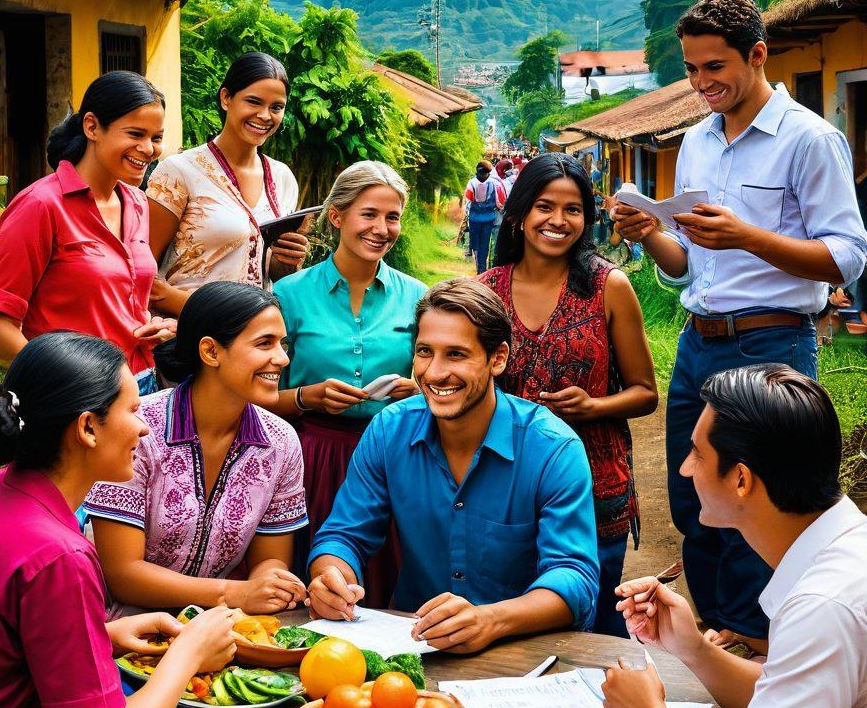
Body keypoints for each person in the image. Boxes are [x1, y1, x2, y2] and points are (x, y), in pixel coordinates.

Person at [612, 0, 867, 642]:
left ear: (757, 55)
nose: (701, 83)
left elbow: (847, 258)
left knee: (759, 507)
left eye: (714, 67)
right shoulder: (696, 141)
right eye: (691, 69)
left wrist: (747, 237)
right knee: (696, 500)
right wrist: (648, 231)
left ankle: (761, 655)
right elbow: (685, 265)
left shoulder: (810, 139)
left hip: (771, 345)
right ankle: (716, 640)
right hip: (697, 343)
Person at [0, 333, 243, 708]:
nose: (144, 427)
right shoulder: (60, 555)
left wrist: (104, 633)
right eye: (133, 410)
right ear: (88, 428)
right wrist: (190, 653)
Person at [603, 364, 867, 708]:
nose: (684, 469)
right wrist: (693, 649)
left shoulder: (823, 605)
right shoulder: (847, 548)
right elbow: (787, 694)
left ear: (741, 479)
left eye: (697, 454)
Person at [306, 278, 599, 650]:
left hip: (525, 653)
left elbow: (575, 578)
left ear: (498, 359)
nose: (434, 373)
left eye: (456, 355)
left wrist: (490, 620)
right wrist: (330, 577)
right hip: (414, 650)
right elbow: (344, 535)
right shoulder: (388, 430)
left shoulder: (553, 449)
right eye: (424, 352)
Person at [479, 153, 658, 635]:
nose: (558, 221)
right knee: (510, 624)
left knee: (594, 628)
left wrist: (593, 406)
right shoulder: (486, 291)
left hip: (596, 486)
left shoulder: (609, 286)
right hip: (506, 485)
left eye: (572, 209)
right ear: (519, 213)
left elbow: (645, 393)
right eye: (544, 206)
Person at [85, 282, 307, 619]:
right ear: (211, 351)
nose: (282, 358)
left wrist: (270, 585)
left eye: (283, 344)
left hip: (219, 626)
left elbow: (269, 559)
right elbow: (122, 575)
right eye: (265, 343)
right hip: (118, 625)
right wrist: (234, 594)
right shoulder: (139, 429)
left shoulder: (281, 442)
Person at [272, 161, 426, 607]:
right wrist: (308, 397)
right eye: (369, 214)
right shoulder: (290, 294)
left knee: (386, 574)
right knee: (315, 577)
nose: (381, 228)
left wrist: (417, 392)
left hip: (393, 453)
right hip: (311, 455)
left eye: (392, 217)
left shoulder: (417, 296)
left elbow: (438, 377)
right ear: (337, 216)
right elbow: (259, 397)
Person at [0, 72, 175, 392]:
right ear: (92, 127)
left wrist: (153, 327)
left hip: (139, 389)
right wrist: (68, 383)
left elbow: (117, 303)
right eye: (135, 134)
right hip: (70, 399)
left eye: (156, 137)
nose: (148, 148)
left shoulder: (138, 202)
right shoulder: (40, 205)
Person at [147, 52, 305, 317]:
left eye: (276, 107)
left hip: (254, 334)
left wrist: (287, 260)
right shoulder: (180, 172)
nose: (265, 115)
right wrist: (219, 315)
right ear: (226, 98)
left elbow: (269, 272)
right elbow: (142, 275)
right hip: (186, 330)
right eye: (253, 102)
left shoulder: (283, 178)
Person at [464, 160, 499, 273]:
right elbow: (498, 202)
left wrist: (467, 215)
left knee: (476, 243)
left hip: (474, 218)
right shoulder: (493, 183)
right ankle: (482, 267)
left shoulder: (471, 183)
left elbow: (468, 201)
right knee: (484, 243)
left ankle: (479, 266)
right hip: (489, 218)